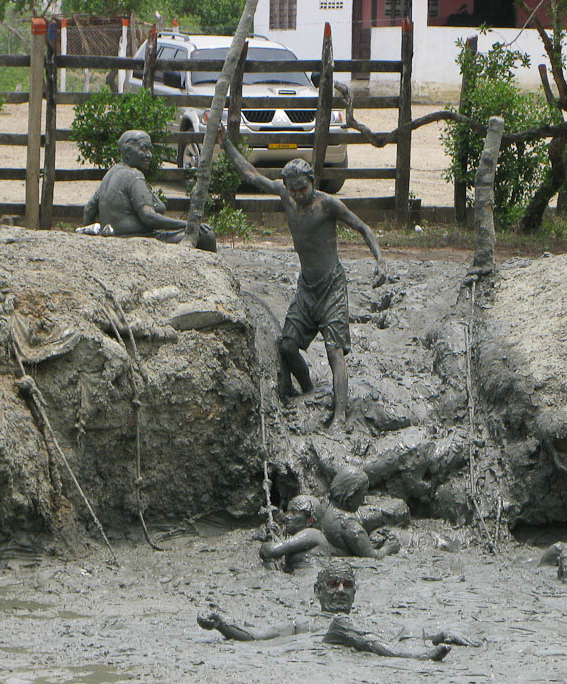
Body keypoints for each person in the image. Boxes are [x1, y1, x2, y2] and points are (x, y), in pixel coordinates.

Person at [220, 127, 387, 424]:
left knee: (335, 351)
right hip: (306, 286)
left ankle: (339, 415)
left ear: (312, 182)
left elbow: (363, 227)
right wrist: (226, 144)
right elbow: (250, 174)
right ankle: (308, 389)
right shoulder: (285, 195)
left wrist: (380, 261)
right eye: (293, 189)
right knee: (286, 345)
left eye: (303, 189)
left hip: (332, 285)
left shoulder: (327, 205)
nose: (298, 195)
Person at [196, 561, 477, 660]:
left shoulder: (365, 621)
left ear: (355, 592)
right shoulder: (301, 623)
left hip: (363, 651)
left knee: (348, 624)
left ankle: (418, 653)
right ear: (318, 590)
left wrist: (441, 634)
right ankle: (416, 658)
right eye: (333, 583)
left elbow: (404, 633)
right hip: (328, 643)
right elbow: (256, 637)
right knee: (339, 624)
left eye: (347, 585)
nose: (340, 590)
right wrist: (221, 623)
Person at [81, 130, 216, 252]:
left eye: (149, 150)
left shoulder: (110, 174)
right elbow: (149, 217)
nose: (149, 155)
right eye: (144, 149)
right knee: (206, 235)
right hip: (139, 238)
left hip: (115, 236)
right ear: (128, 152)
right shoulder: (134, 176)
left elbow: (88, 209)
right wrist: (188, 225)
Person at [259, 494, 400, 571]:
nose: (287, 517)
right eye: (287, 511)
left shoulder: (311, 534)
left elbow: (270, 551)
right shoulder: (316, 540)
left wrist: (268, 543)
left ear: (309, 519)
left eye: (294, 512)